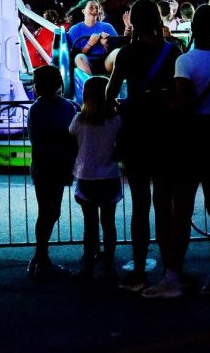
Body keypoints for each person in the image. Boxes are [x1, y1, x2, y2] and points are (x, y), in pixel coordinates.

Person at [144, 5, 210, 300]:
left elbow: (182, 104)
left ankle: (172, 277)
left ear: (193, 28)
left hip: (190, 137)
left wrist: (160, 99)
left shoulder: (185, 61)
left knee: (181, 208)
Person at [105, 0, 180, 292]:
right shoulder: (172, 51)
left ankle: (138, 269)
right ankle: (170, 268)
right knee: (164, 203)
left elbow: (110, 93)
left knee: (139, 204)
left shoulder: (126, 54)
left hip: (135, 131)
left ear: (133, 21)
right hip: (163, 130)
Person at [69, 75, 122, 282]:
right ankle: (108, 264)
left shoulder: (79, 120)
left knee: (90, 224)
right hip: (109, 176)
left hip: (86, 176)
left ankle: (88, 265)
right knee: (109, 223)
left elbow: (71, 137)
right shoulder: (115, 120)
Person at [26, 65, 77, 280]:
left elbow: (36, 139)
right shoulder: (67, 107)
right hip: (58, 164)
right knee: (52, 209)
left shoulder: (36, 109)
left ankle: (41, 254)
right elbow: (71, 134)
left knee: (47, 209)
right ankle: (40, 255)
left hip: (44, 164)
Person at [68, 0, 118, 79]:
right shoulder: (75, 29)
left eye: (97, 8)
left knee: (117, 52)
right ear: (83, 11)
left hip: (105, 62)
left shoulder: (107, 27)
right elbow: (74, 55)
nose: (95, 10)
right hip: (87, 62)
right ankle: (90, 84)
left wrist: (105, 45)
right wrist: (89, 44)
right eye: (91, 7)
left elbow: (117, 46)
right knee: (79, 57)